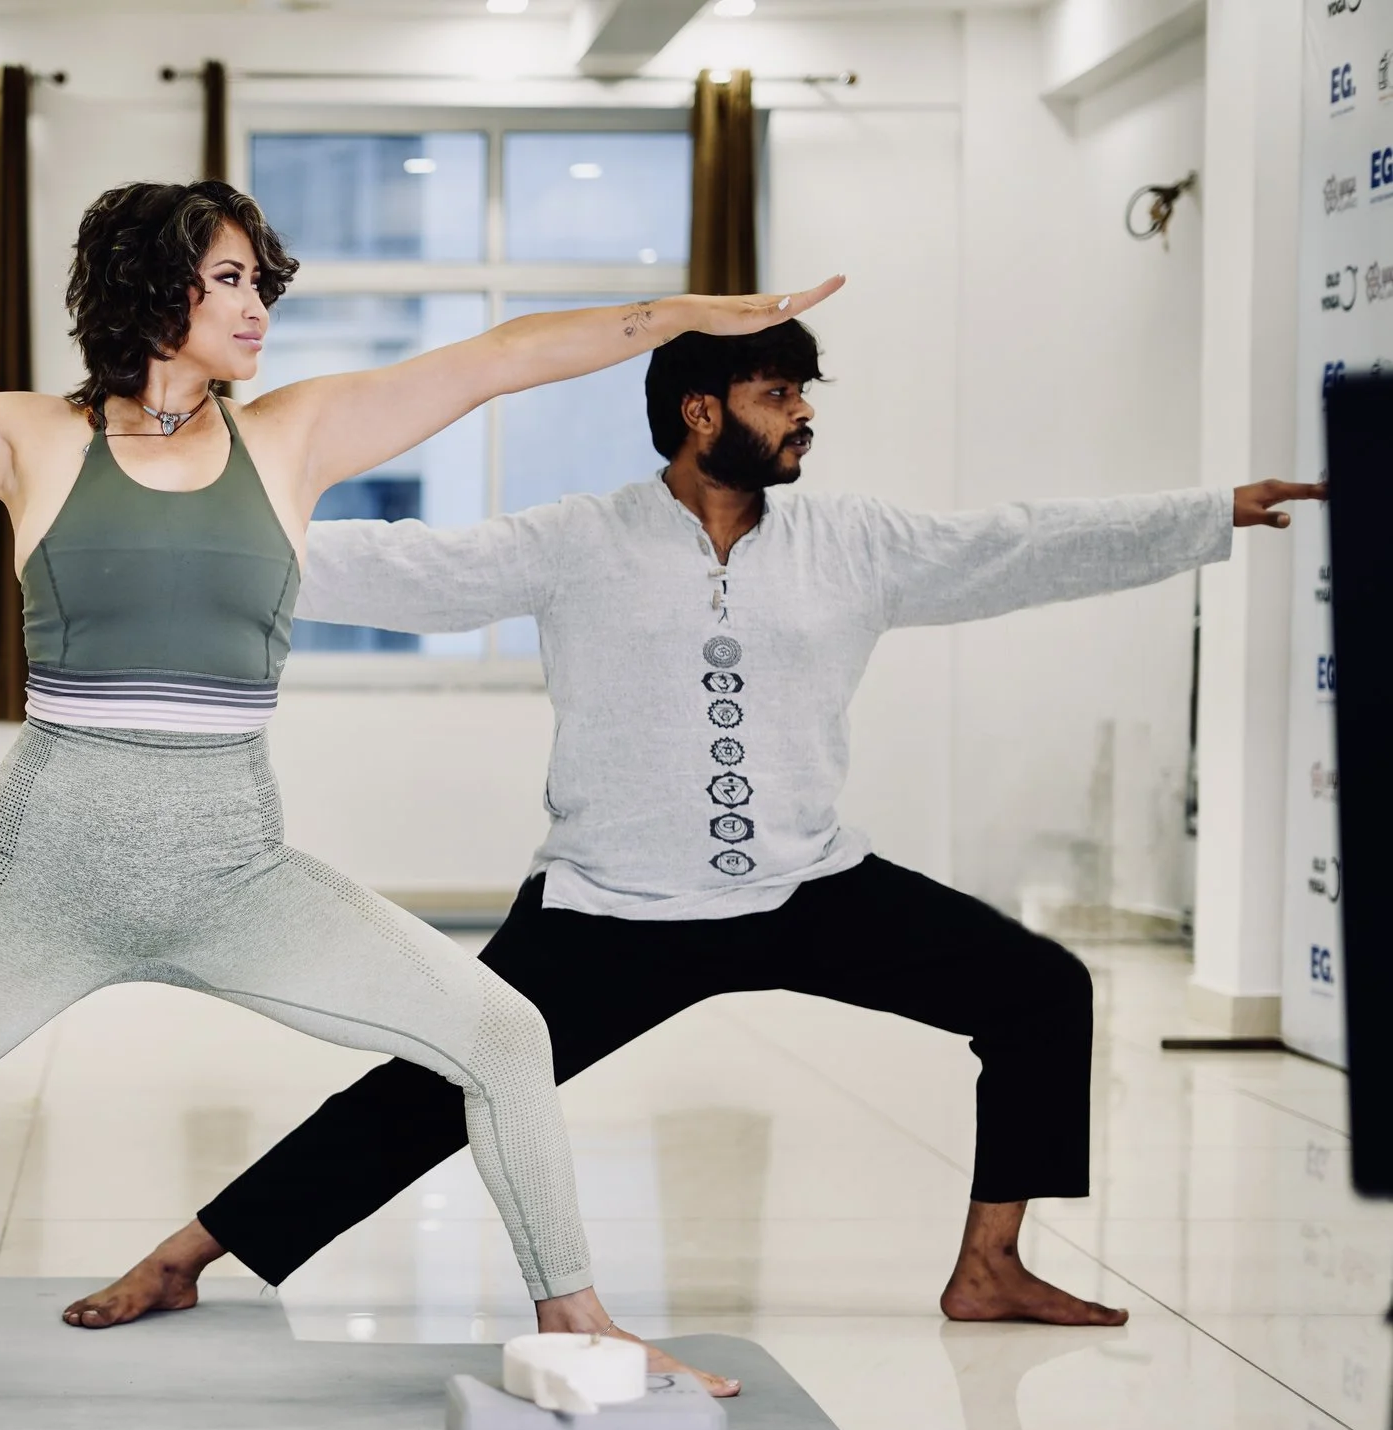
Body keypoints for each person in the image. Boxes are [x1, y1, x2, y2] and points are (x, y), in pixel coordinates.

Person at [0, 180, 840, 1425]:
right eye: (235, 279)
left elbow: (502, 358)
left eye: (266, 284)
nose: (260, 308)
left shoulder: (298, 436)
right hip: (45, 865)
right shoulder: (33, 438)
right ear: (155, 291)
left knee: (500, 1028)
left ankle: (581, 1315)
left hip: (235, 865)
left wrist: (692, 319)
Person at [64, 317, 1323, 1336]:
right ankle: (189, 1255)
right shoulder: (579, 540)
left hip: (807, 884)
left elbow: (1016, 546)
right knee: (442, 1086)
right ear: (699, 412)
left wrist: (1206, 516)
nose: (804, 417)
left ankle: (988, 1267)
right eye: (780, 394)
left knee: (1040, 987)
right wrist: (192, 528)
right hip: (615, 903)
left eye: (803, 395)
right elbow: (404, 565)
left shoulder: (854, 540)